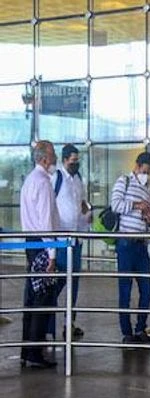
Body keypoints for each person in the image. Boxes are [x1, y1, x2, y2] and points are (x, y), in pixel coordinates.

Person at [19, 140, 60, 368]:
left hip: (31, 243)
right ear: (44, 158)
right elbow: (46, 222)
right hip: (43, 245)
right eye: (52, 154)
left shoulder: (29, 181)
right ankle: (35, 352)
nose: (54, 158)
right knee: (42, 298)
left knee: (31, 297)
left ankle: (27, 351)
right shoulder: (43, 183)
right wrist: (52, 254)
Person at [111, 152, 150, 344]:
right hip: (125, 243)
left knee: (146, 289)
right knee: (125, 289)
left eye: (149, 172)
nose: (146, 175)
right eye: (144, 171)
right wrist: (137, 205)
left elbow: (147, 217)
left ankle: (141, 328)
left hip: (141, 244)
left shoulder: (147, 189)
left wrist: (149, 217)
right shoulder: (124, 181)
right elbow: (115, 205)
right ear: (137, 167)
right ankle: (127, 333)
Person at [49, 144, 89, 339]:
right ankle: (48, 322)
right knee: (58, 283)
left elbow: (80, 205)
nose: (76, 163)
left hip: (76, 239)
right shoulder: (56, 178)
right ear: (64, 160)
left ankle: (69, 322)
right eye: (73, 160)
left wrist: (86, 215)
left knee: (74, 284)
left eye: (77, 160)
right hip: (61, 240)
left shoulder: (78, 179)